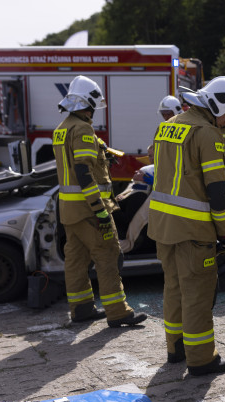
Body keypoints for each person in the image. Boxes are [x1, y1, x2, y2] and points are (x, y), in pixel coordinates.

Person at [148, 76, 225, 376]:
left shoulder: (169, 126)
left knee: (174, 287)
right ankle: (202, 358)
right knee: (198, 294)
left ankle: (175, 348)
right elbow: (217, 190)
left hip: (163, 227)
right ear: (216, 103)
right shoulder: (207, 134)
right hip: (193, 229)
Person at [53, 75, 147, 327]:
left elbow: (74, 166)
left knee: (76, 258)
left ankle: (81, 308)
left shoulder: (62, 128)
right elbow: (83, 172)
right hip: (89, 210)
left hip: (69, 211)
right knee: (107, 254)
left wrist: (102, 154)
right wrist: (100, 210)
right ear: (88, 103)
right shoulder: (82, 128)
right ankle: (118, 312)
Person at [113, 146, 154, 254]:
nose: (136, 171)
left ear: (147, 177)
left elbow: (125, 219)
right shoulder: (135, 190)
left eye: (141, 173)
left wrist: (109, 209)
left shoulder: (139, 195)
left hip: (121, 234)